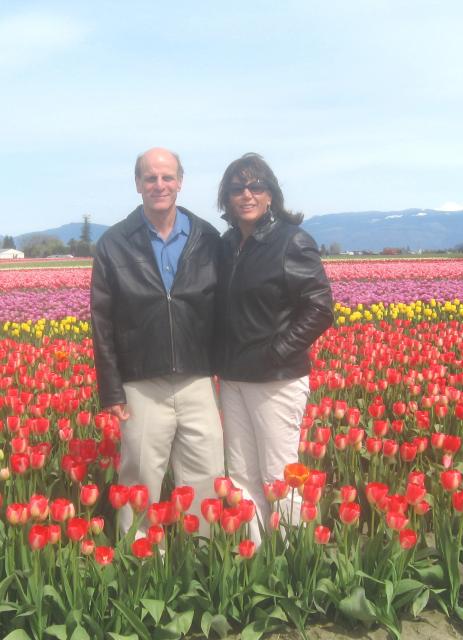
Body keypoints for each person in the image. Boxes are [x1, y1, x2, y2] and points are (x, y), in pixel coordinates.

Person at [91, 147, 224, 535]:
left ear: (180, 182)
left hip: (197, 378)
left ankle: (205, 558)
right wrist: (111, 391)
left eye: (167, 177)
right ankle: (142, 566)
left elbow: (224, 306)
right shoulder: (114, 244)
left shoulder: (207, 238)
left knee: (206, 473)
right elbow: (102, 321)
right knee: (139, 479)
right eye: (151, 178)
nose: (160, 185)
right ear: (138, 184)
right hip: (142, 382)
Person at [215, 153, 333, 543]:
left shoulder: (291, 241)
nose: (246, 194)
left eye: (256, 186)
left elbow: (319, 307)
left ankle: (294, 558)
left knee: (279, 474)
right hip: (233, 377)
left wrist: (277, 352)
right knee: (242, 475)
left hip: (275, 378)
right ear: (227, 198)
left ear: (270, 195)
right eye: (237, 188)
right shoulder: (228, 244)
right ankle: (257, 556)